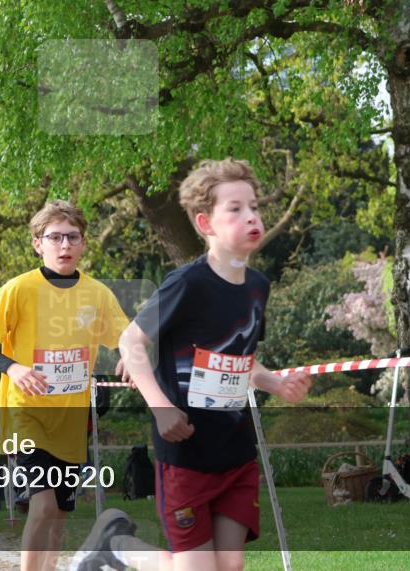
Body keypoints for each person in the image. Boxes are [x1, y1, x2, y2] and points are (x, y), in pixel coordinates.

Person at [70, 159, 312, 571]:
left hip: (235, 452)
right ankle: (117, 547)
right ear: (205, 223)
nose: (251, 215)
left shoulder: (257, 288)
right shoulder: (188, 283)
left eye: (253, 206)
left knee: (230, 566)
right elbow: (130, 341)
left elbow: (240, 357)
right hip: (186, 454)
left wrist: (275, 383)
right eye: (234, 209)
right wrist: (161, 408)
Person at [0, 200, 130, 571]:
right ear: (37, 243)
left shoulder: (98, 294)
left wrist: (128, 354)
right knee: (42, 506)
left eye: (72, 237)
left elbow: (127, 336)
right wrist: (14, 368)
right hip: (26, 412)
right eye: (55, 237)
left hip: (71, 420)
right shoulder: (17, 289)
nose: (65, 245)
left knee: (59, 514)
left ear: (83, 243)